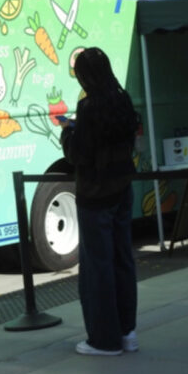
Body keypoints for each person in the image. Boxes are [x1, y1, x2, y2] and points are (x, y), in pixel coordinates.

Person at [59, 47, 140, 356]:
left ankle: (104, 340)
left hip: (95, 194)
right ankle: (127, 331)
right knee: (123, 259)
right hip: (123, 189)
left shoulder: (89, 107)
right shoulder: (122, 100)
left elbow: (78, 153)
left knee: (98, 266)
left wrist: (68, 132)